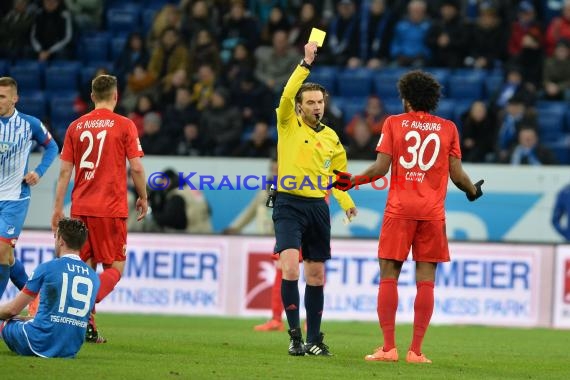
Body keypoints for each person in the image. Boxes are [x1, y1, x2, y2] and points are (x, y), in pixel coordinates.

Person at [331, 70, 483, 363]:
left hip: (399, 211)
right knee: (426, 280)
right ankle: (416, 351)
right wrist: (472, 191)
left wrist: (352, 181)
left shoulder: (393, 123)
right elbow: (457, 174)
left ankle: (388, 348)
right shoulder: (448, 128)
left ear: (406, 98)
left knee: (389, 275)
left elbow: (379, 169)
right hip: (432, 214)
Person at [274, 41, 358, 356]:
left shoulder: (331, 136)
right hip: (288, 204)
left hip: (317, 208)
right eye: (309, 102)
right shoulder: (287, 125)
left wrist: (347, 204)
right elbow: (285, 95)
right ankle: (295, 337)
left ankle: (314, 340)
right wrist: (305, 64)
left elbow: (339, 178)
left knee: (316, 274)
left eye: (319, 102)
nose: (316, 107)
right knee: (290, 268)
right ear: (299, 106)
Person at [51, 74, 148, 343]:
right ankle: (80, 311)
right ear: (115, 96)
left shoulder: (75, 126)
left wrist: (58, 209)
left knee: (86, 268)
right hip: (111, 208)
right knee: (115, 269)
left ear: (92, 97)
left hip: (80, 207)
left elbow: (64, 173)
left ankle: (87, 328)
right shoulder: (125, 125)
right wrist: (143, 196)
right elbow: (137, 167)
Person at [0, 217, 99, 358]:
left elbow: (12, 309)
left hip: (37, 342)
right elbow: (62, 317)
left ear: (61, 240)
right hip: (70, 348)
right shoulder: (94, 277)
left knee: (5, 320)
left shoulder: (47, 268)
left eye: (55, 236)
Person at [0, 76, 59, 300]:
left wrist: (39, 172)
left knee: (2, 253)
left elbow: (52, 147)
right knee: (7, 258)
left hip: (15, 199)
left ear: (14, 99)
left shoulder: (29, 124)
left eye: (2, 97)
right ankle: (37, 300)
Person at [222, 157, 285, 331]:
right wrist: (235, 228)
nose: (275, 172)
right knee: (285, 274)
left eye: (278, 168)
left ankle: (285, 319)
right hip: (272, 238)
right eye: (273, 169)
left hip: (287, 236)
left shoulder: (292, 187)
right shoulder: (270, 189)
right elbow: (253, 211)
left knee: (297, 275)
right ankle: (277, 318)